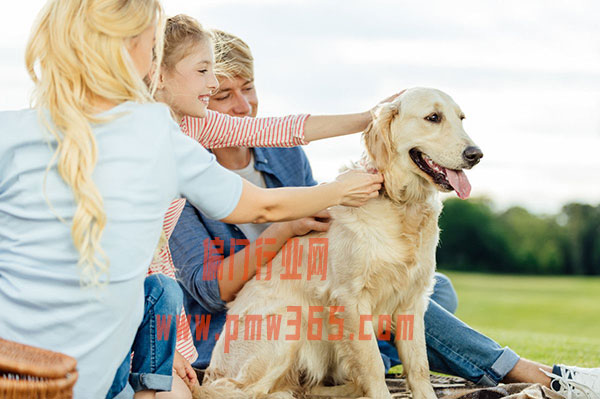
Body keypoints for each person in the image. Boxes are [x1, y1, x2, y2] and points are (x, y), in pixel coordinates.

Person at [169, 28, 600, 399]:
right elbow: (210, 290)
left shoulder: (282, 156)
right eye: (223, 93)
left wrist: (372, 125)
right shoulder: (184, 170)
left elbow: (317, 226)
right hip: (243, 323)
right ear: (197, 92)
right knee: (392, 304)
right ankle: (522, 370)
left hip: (315, 304)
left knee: (432, 290)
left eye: (249, 88)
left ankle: (356, 366)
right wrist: (286, 228)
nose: (243, 105)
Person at [0, 2, 401, 398]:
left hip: (136, 299)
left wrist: (369, 116)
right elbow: (259, 206)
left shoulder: (18, 132)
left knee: (162, 306)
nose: (212, 83)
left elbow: (281, 129)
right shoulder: (158, 133)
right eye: (204, 71)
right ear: (145, 61)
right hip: (124, 304)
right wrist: (339, 191)